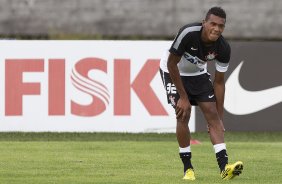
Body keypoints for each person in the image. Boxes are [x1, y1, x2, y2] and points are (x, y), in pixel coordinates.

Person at [159, 7, 243, 180]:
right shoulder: (188, 33)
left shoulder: (223, 47)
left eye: (221, 26)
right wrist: (183, 97)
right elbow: (171, 64)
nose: (216, 29)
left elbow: (219, 83)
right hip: (172, 72)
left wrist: (219, 118)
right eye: (213, 23)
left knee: (212, 115)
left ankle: (224, 168)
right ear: (204, 23)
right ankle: (188, 168)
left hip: (198, 74)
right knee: (183, 113)